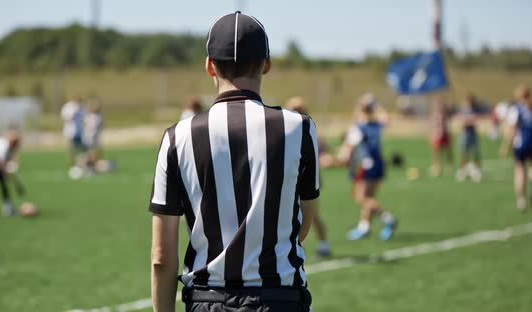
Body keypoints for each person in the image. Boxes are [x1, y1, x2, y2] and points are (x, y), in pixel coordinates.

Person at [149, 12, 318, 312]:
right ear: (267, 64)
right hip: (280, 299)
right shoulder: (299, 128)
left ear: (209, 66)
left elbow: (162, 256)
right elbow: (304, 222)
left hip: (208, 301)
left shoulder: (177, 137)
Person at [335, 93, 397, 241]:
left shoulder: (358, 127)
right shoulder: (375, 125)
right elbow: (386, 118)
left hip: (364, 166)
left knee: (361, 197)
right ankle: (365, 227)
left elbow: (349, 148)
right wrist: (376, 104)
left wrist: (340, 158)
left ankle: (388, 219)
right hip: (378, 164)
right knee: (370, 197)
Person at [285, 96, 330, 257]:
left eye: (298, 109)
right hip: (292, 177)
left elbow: (324, 150)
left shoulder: (308, 128)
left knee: (311, 213)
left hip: (307, 177)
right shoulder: (288, 127)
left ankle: (323, 243)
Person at [500, 85, 532, 211]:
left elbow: (512, 129)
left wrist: (505, 146)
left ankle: (521, 200)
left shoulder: (517, 109)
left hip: (521, 144)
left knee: (520, 171)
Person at [456, 93, 482, 182]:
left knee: (475, 153)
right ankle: (462, 171)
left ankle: (477, 171)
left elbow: (476, 120)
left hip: (473, 134)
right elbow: (462, 122)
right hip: (465, 134)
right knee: (464, 153)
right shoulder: (464, 110)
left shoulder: (475, 109)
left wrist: (470, 120)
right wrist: (470, 120)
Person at [429, 97, 453, 177]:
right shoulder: (435, 115)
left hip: (444, 134)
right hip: (437, 135)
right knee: (437, 152)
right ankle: (437, 168)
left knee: (448, 151)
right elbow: (433, 126)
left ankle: (450, 166)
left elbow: (447, 124)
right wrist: (432, 135)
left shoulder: (444, 114)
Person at [61, 95, 85, 166]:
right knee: (72, 148)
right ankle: (72, 163)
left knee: (82, 149)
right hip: (70, 131)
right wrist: (73, 115)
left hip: (80, 131)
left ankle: (80, 162)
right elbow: (65, 117)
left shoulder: (81, 106)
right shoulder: (68, 106)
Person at [82, 97, 104, 170]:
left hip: (92, 138)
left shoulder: (97, 116)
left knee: (94, 153)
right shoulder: (92, 117)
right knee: (92, 153)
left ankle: (91, 166)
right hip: (90, 138)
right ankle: (89, 167)